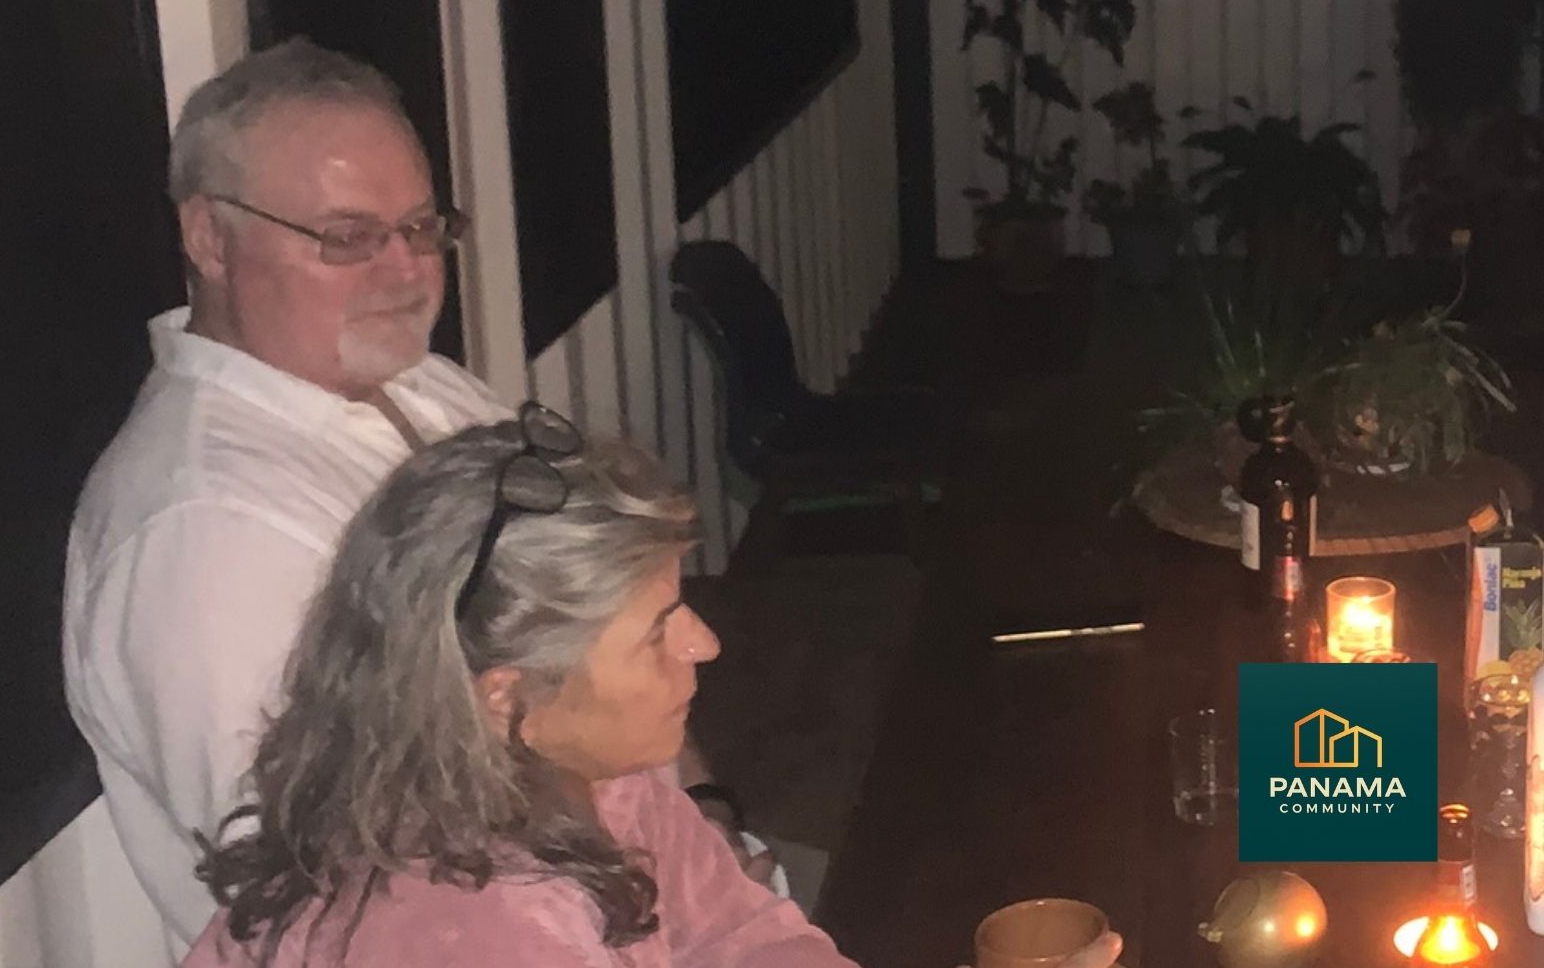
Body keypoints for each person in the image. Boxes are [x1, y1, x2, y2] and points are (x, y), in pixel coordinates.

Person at [182, 413, 1123, 968]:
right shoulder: (466, 933)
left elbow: (754, 942)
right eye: (656, 629)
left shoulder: (599, 780)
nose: (705, 642)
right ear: (506, 697)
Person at [62, 38, 509, 955]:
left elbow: (609, 623)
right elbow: (329, 914)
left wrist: (703, 817)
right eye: (347, 238)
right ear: (209, 238)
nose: (406, 270)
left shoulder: (431, 386)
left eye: (422, 229)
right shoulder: (201, 534)